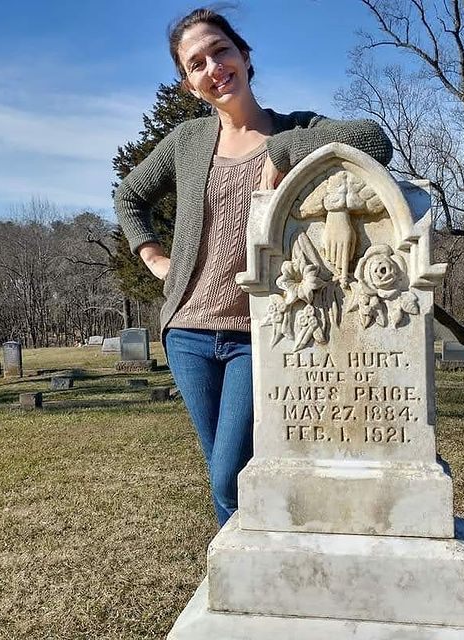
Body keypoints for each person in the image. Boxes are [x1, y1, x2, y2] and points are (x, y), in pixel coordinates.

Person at [114, 7, 393, 527]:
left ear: (244, 56)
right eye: (196, 63)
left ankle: (261, 564)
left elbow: (374, 141)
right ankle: (245, 574)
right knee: (227, 473)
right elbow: (130, 196)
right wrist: (153, 257)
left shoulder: (297, 129)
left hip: (259, 332)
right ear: (190, 85)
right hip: (187, 332)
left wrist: (284, 149)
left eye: (220, 51)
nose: (213, 67)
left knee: (230, 473)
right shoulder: (186, 143)